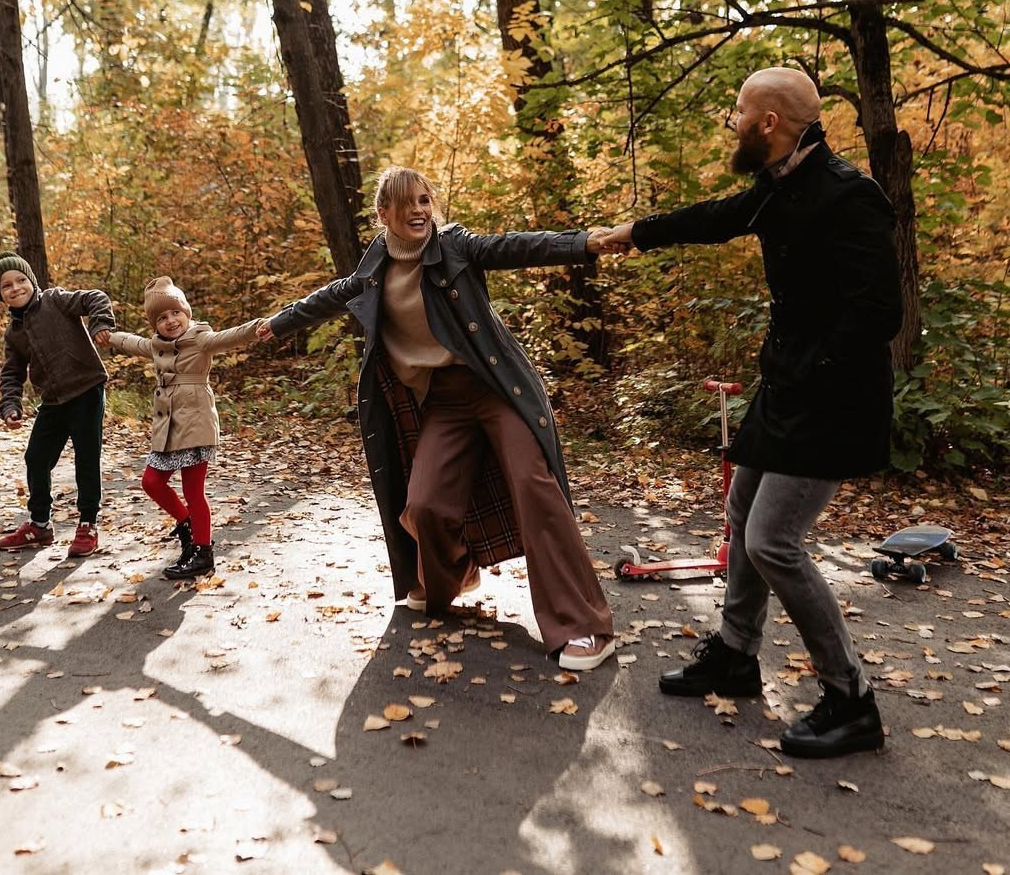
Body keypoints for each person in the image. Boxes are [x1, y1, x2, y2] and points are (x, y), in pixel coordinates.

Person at [597, 67, 903, 758]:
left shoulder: (848, 195)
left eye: (738, 110)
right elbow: (717, 218)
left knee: (772, 541)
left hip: (832, 397)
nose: (731, 120)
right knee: (741, 513)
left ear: (769, 121)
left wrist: (813, 367)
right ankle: (735, 654)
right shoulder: (779, 184)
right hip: (788, 387)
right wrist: (635, 233)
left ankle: (851, 699)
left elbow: (879, 310)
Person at [257, 166, 616, 671]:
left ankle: (585, 627)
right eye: (407, 205)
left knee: (535, 489)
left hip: (494, 390)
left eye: (425, 200)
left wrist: (584, 243)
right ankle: (456, 571)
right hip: (444, 404)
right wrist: (272, 325)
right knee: (423, 505)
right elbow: (326, 299)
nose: (420, 211)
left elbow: (515, 246)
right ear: (384, 215)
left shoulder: (456, 247)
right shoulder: (373, 271)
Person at [106, 277, 259, 580]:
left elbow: (230, 337)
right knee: (151, 482)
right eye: (161, 317)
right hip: (167, 426)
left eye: (175, 312)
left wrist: (258, 328)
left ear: (186, 312)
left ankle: (203, 553)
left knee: (193, 490)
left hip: (196, 423)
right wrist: (109, 337)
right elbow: (132, 343)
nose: (170, 321)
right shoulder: (156, 346)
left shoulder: (200, 339)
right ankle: (188, 523)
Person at [0, 252, 116, 558]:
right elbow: (12, 373)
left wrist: (100, 323)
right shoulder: (14, 332)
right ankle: (40, 525)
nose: (16, 288)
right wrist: (10, 405)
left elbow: (94, 297)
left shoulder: (56, 300)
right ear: (1, 295)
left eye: (21, 280)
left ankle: (88, 524)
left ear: (32, 281)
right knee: (36, 458)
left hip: (86, 390)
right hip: (53, 401)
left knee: (86, 459)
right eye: (7, 285)